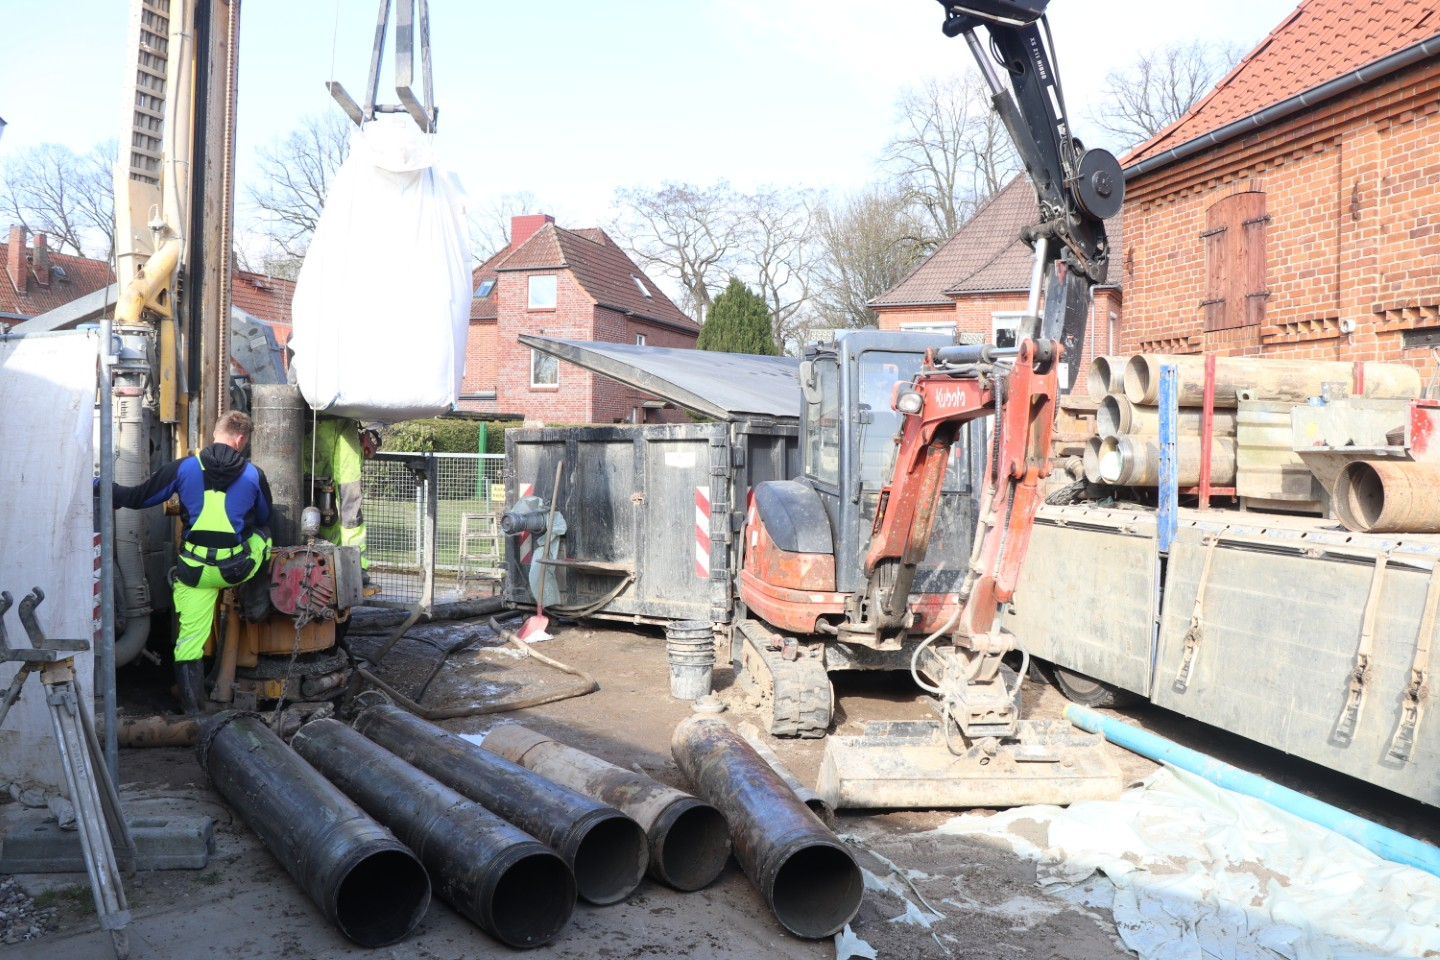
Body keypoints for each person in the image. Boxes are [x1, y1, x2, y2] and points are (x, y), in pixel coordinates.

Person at [112, 411, 272, 714]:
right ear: (240, 440)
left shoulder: (184, 467)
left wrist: (101, 487)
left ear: (217, 434)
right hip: (235, 569)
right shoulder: (254, 474)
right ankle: (255, 602)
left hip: (195, 572)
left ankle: (194, 712)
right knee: (264, 536)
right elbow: (264, 516)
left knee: (189, 642)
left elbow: (138, 497)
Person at [303, 416, 378, 585]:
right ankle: (325, 558)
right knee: (316, 498)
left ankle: (354, 562)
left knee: (350, 502)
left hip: (339, 427)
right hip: (313, 427)